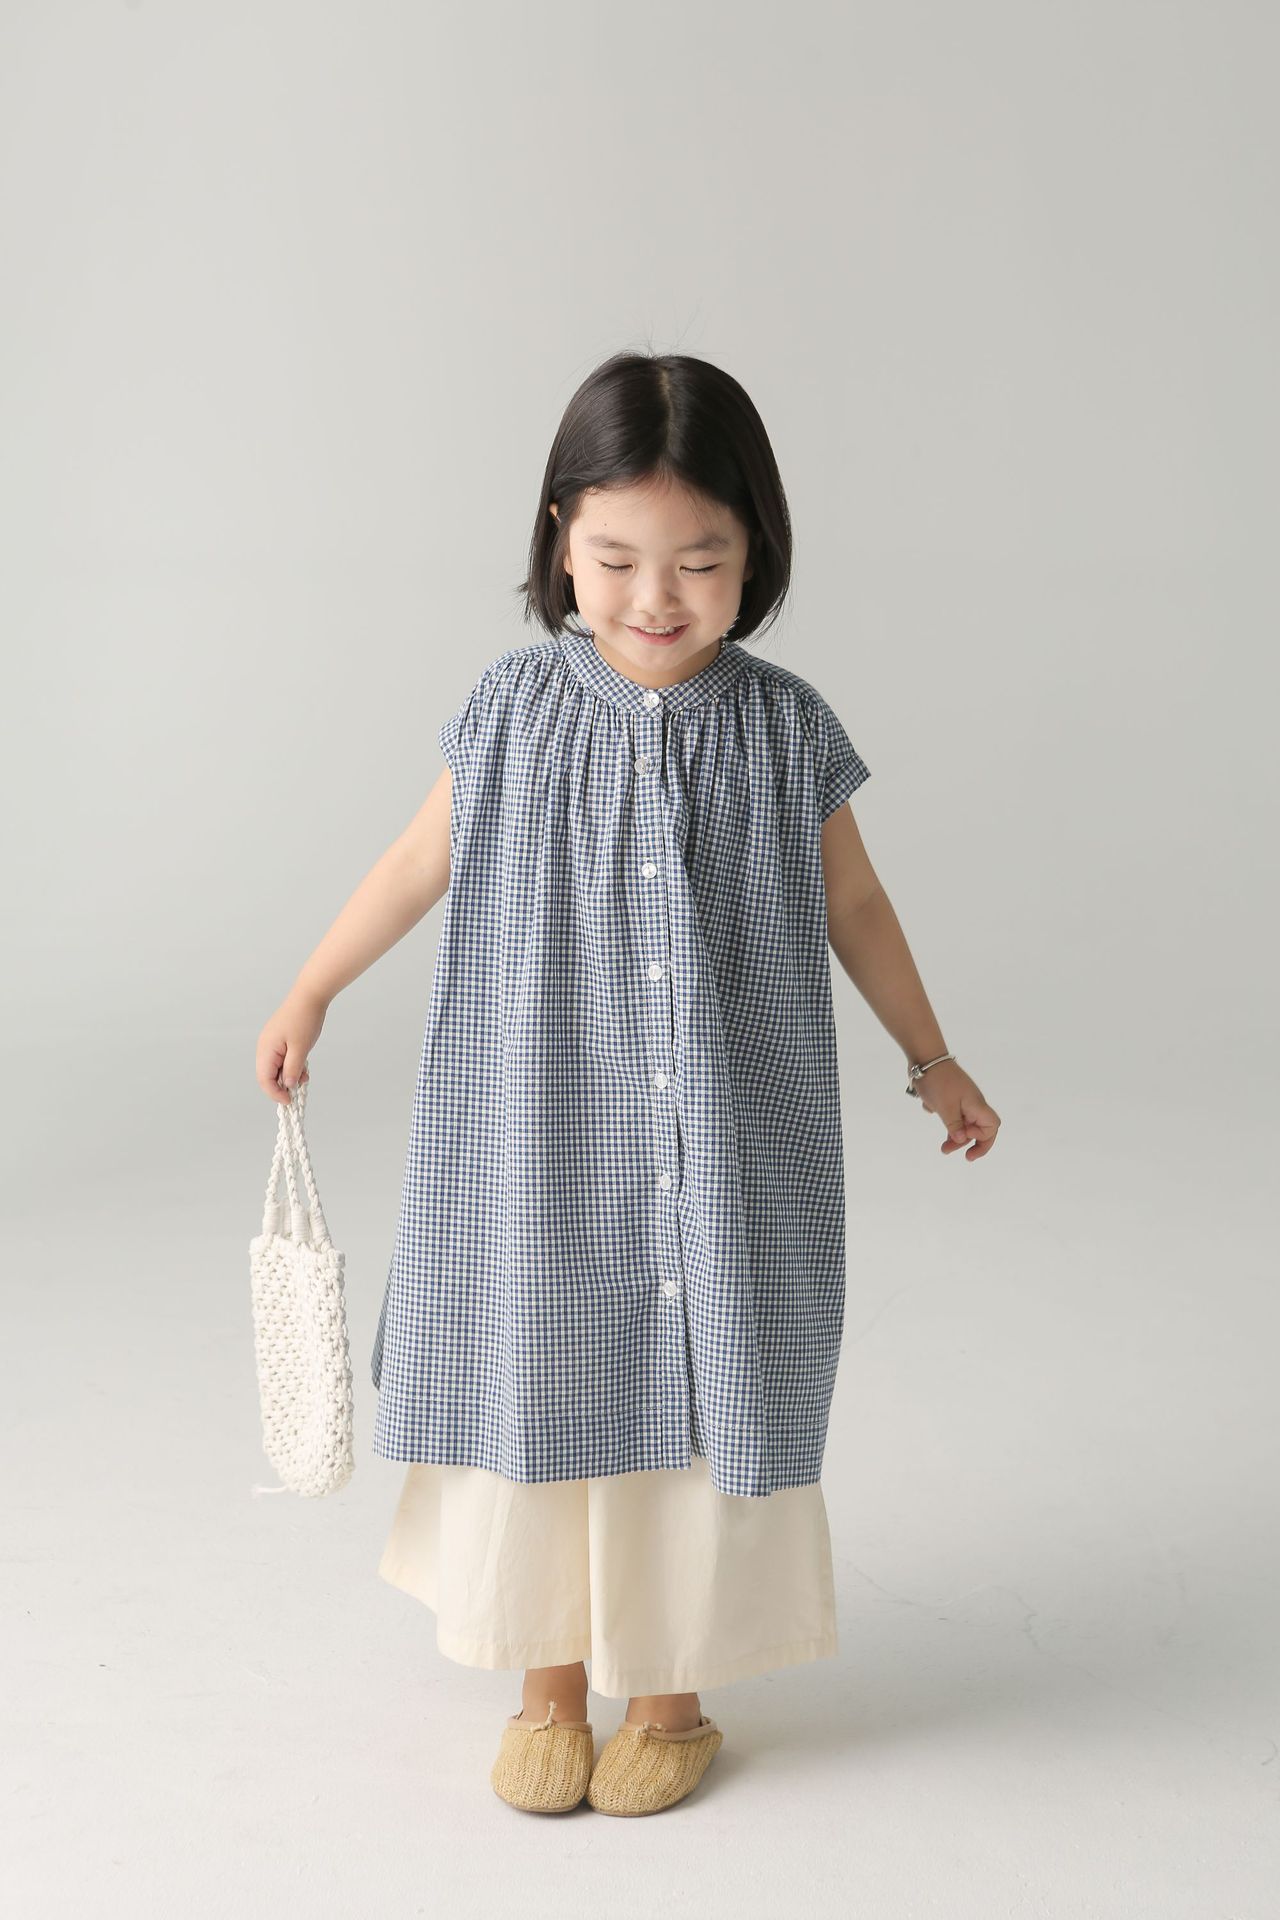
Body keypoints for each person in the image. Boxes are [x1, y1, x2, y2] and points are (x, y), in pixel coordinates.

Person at [255, 349, 1001, 1817]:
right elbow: (415, 861)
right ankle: (545, 1688)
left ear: (754, 554)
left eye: (699, 563)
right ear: (560, 541)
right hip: (539, 1131)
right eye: (615, 560)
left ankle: (670, 1700)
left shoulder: (785, 729)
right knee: (541, 1370)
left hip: (724, 1139)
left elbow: (855, 905)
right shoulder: (512, 709)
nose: (656, 598)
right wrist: (312, 985)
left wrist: (931, 1056)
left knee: (705, 1379)